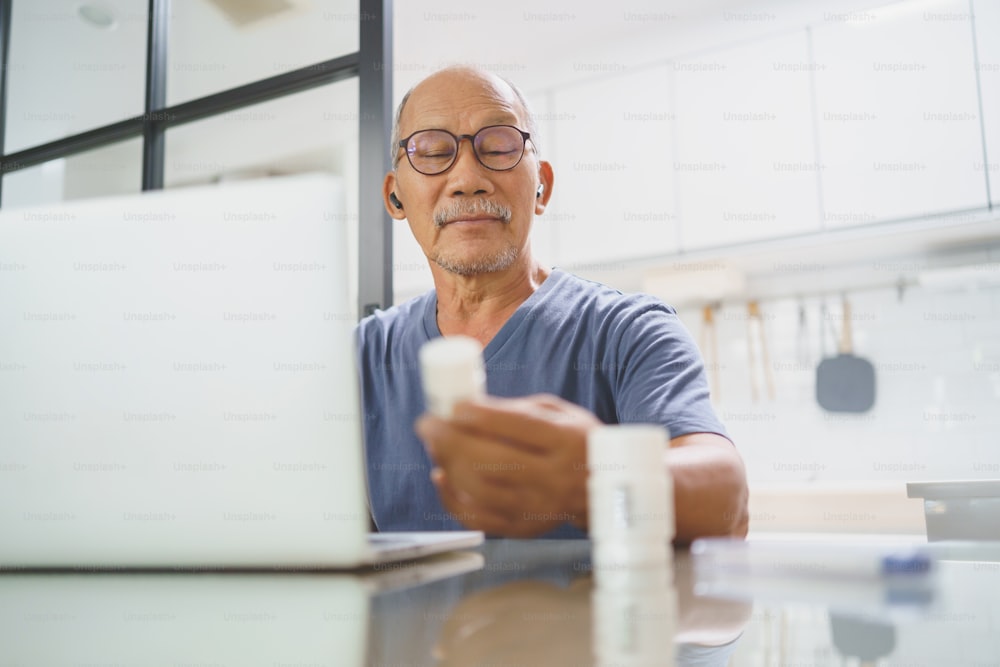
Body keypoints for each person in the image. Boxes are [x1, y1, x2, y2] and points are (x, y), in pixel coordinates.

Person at [357, 65, 748, 543]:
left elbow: (727, 504)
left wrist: (593, 481)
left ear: (541, 185)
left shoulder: (629, 332)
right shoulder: (362, 356)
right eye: (434, 152)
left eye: (498, 148)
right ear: (395, 195)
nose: (466, 178)